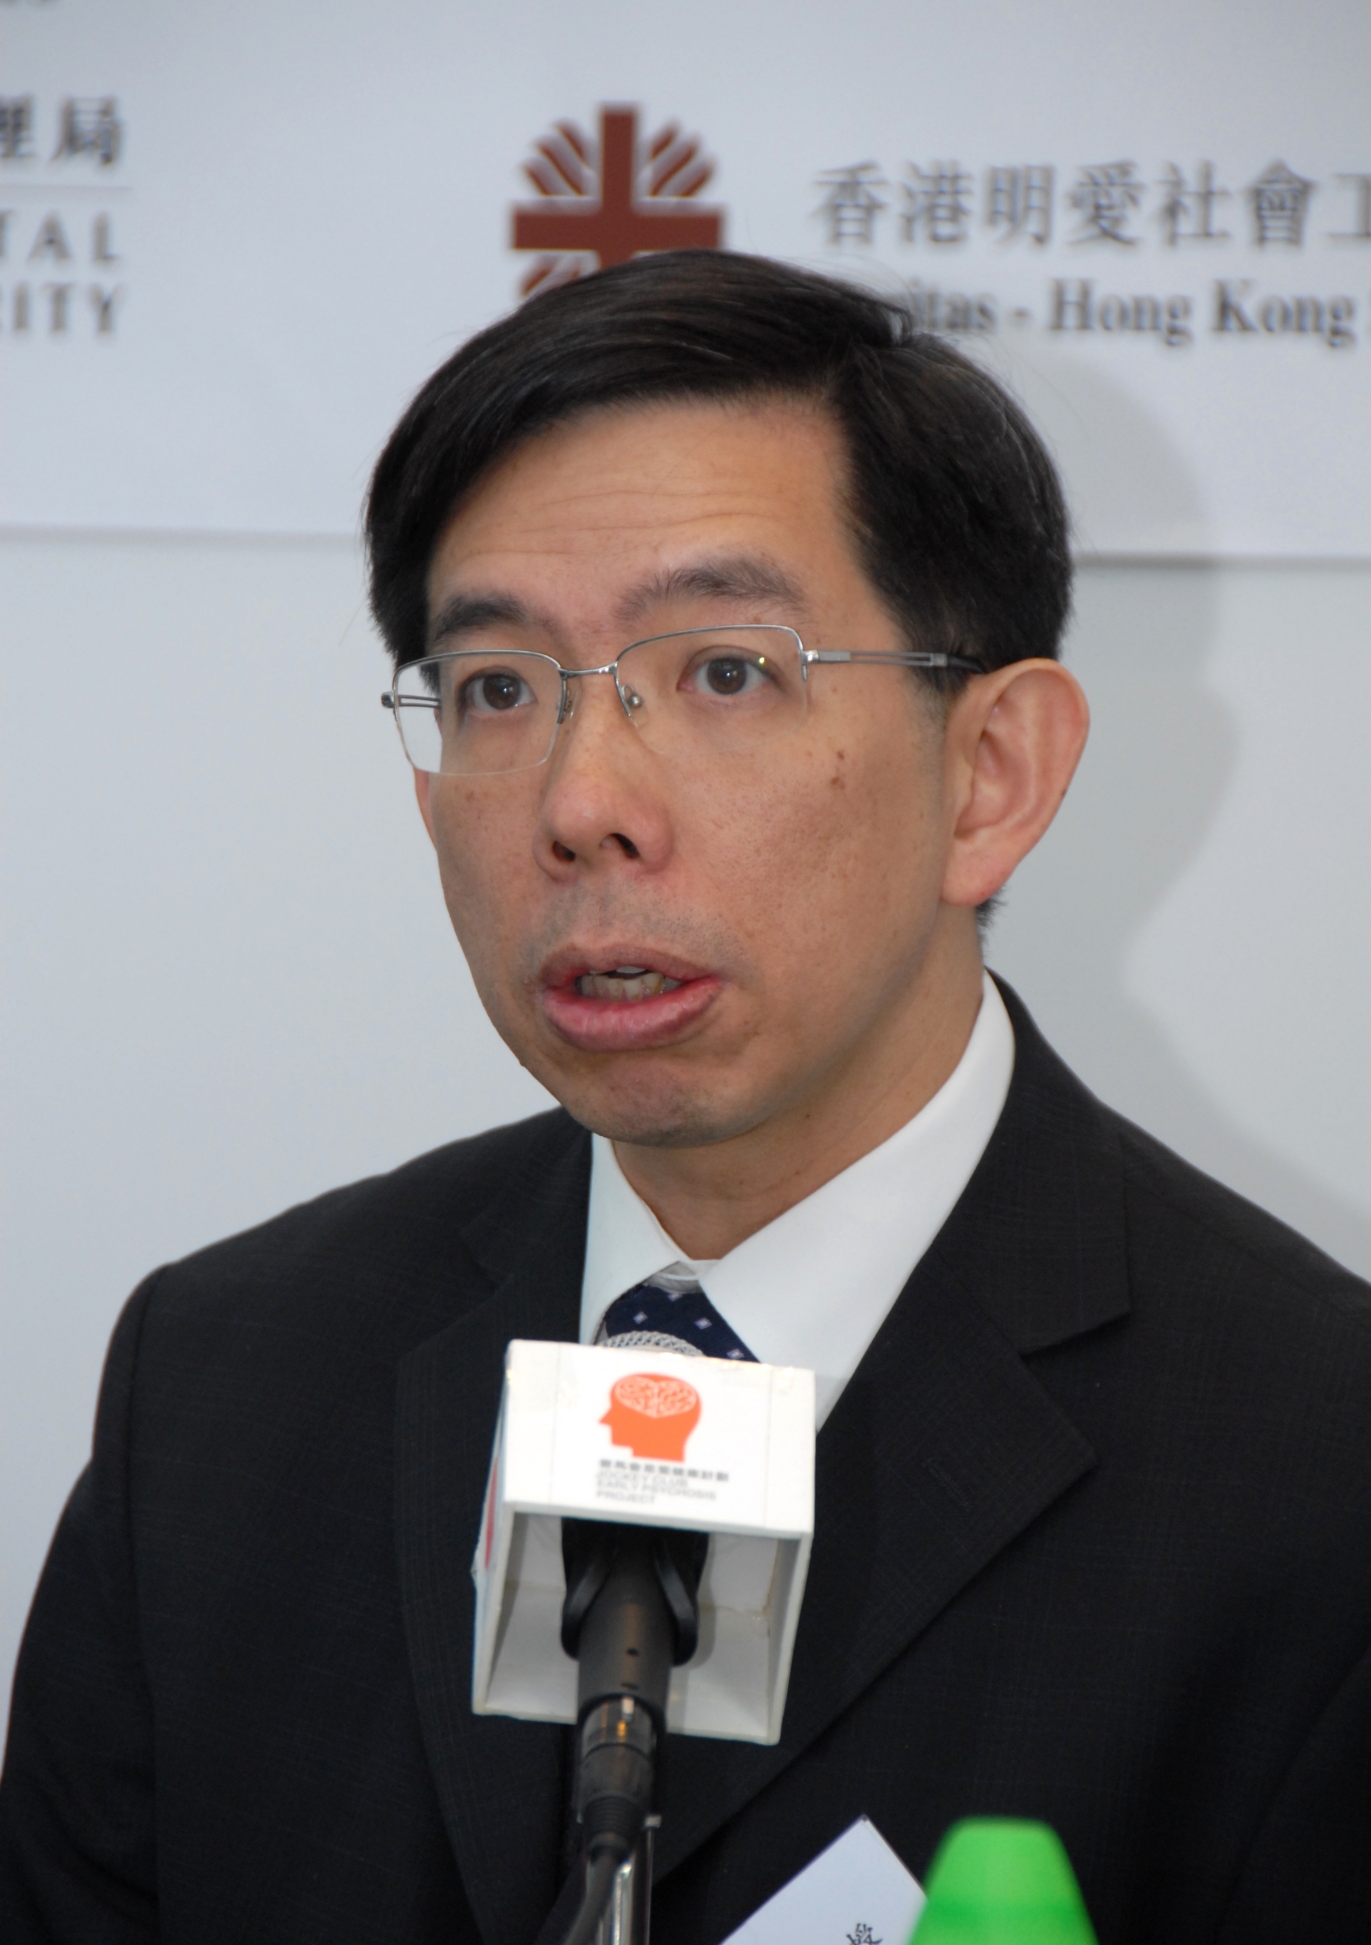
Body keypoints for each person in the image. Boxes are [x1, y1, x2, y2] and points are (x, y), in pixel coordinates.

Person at [3, 251, 1369, 1945]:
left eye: (725, 672)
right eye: (499, 689)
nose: (580, 802)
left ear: (990, 777)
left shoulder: (1317, 1482)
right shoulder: (221, 1391)